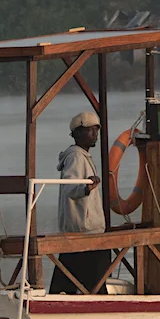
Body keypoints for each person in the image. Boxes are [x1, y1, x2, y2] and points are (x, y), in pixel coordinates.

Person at [51, 111, 110, 293]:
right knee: (95, 277)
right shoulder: (76, 157)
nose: (95, 134)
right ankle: (98, 305)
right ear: (77, 133)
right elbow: (70, 186)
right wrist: (85, 188)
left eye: (96, 130)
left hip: (81, 228)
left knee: (71, 275)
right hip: (84, 230)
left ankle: (65, 299)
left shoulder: (82, 156)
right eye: (90, 130)